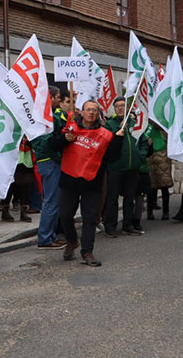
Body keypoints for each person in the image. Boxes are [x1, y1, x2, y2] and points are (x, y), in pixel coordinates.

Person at [52, 100, 125, 266]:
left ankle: (87, 251)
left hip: (92, 181)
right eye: (88, 110)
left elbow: (112, 157)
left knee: (90, 218)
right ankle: (72, 241)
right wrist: (64, 139)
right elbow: (53, 145)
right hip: (69, 179)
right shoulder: (71, 128)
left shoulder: (105, 134)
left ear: (97, 113)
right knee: (65, 215)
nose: (91, 113)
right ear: (82, 112)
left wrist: (118, 140)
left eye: (94, 110)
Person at [36, 86, 74, 248]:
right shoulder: (47, 117)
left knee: (54, 200)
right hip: (49, 160)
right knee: (51, 201)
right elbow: (49, 141)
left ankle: (50, 235)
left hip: (47, 160)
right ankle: (45, 237)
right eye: (58, 97)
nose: (59, 99)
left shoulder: (45, 115)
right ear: (50, 97)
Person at [103, 97, 144, 236]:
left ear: (127, 108)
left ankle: (128, 225)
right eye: (117, 106)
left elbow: (143, 140)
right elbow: (106, 145)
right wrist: (119, 132)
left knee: (129, 198)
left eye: (122, 106)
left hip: (132, 168)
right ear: (114, 109)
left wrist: (141, 155)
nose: (120, 108)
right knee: (112, 199)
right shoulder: (109, 124)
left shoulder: (134, 124)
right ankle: (110, 227)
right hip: (115, 167)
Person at [141, 122, 172, 220]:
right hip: (149, 159)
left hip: (162, 159)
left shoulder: (162, 129)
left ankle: (166, 212)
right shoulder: (146, 128)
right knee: (151, 188)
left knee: (164, 186)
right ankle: (150, 212)